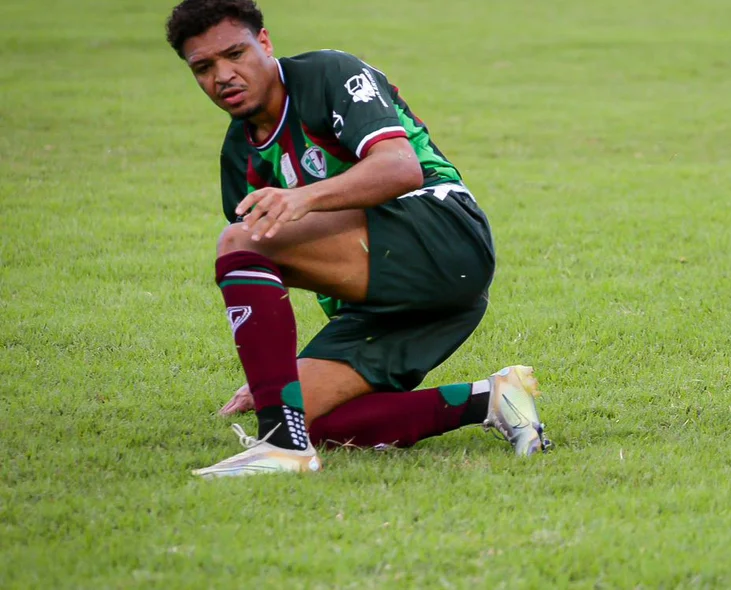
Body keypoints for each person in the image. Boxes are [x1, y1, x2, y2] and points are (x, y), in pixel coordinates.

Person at [165, 0, 552, 478]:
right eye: (203, 67)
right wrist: (274, 380)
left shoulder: (327, 73)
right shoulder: (238, 161)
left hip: (445, 236)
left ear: (263, 42)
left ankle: (281, 451)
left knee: (239, 241)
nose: (223, 75)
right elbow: (311, 266)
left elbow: (400, 166)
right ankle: (493, 399)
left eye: (235, 54)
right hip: (390, 297)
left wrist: (304, 199)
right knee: (306, 415)